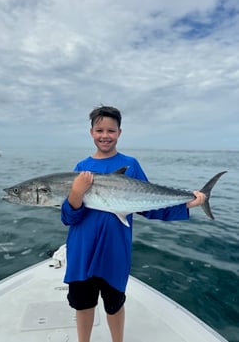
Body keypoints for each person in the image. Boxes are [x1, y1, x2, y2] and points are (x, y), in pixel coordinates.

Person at [61, 106, 205, 342]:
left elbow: (148, 204)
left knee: (114, 305)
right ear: (91, 132)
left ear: (119, 132)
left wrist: (187, 204)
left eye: (111, 130)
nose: (105, 135)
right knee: (83, 304)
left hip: (115, 250)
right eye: (99, 130)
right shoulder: (80, 168)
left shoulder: (131, 164)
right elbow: (69, 218)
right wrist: (76, 192)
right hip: (82, 250)